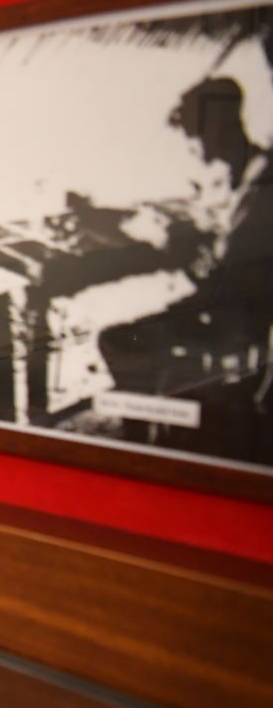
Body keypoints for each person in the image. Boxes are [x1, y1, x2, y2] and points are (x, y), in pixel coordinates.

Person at [97, 76, 273, 448]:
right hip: (232, 312)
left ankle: (140, 440)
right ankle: (149, 424)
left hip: (234, 326)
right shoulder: (247, 177)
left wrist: (171, 246)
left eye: (194, 136)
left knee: (117, 339)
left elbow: (232, 272)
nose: (194, 150)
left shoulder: (260, 186)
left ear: (218, 127)